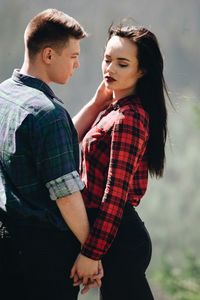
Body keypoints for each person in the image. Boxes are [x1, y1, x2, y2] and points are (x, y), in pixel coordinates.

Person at [0, 8, 107, 300]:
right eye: (72, 57)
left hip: (8, 241)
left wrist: (95, 106)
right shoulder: (49, 114)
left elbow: (44, 148)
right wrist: (90, 251)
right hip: (44, 254)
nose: (77, 65)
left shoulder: (4, 95)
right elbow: (66, 194)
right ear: (48, 55)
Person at [72, 24, 169, 299]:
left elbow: (114, 195)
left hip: (120, 239)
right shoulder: (112, 110)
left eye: (122, 64)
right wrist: (95, 103)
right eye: (107, 59)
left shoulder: (129, 119)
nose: (110, 69)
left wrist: (91, 253)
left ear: (142, 70)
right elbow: (65, 143)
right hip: (109, 236)